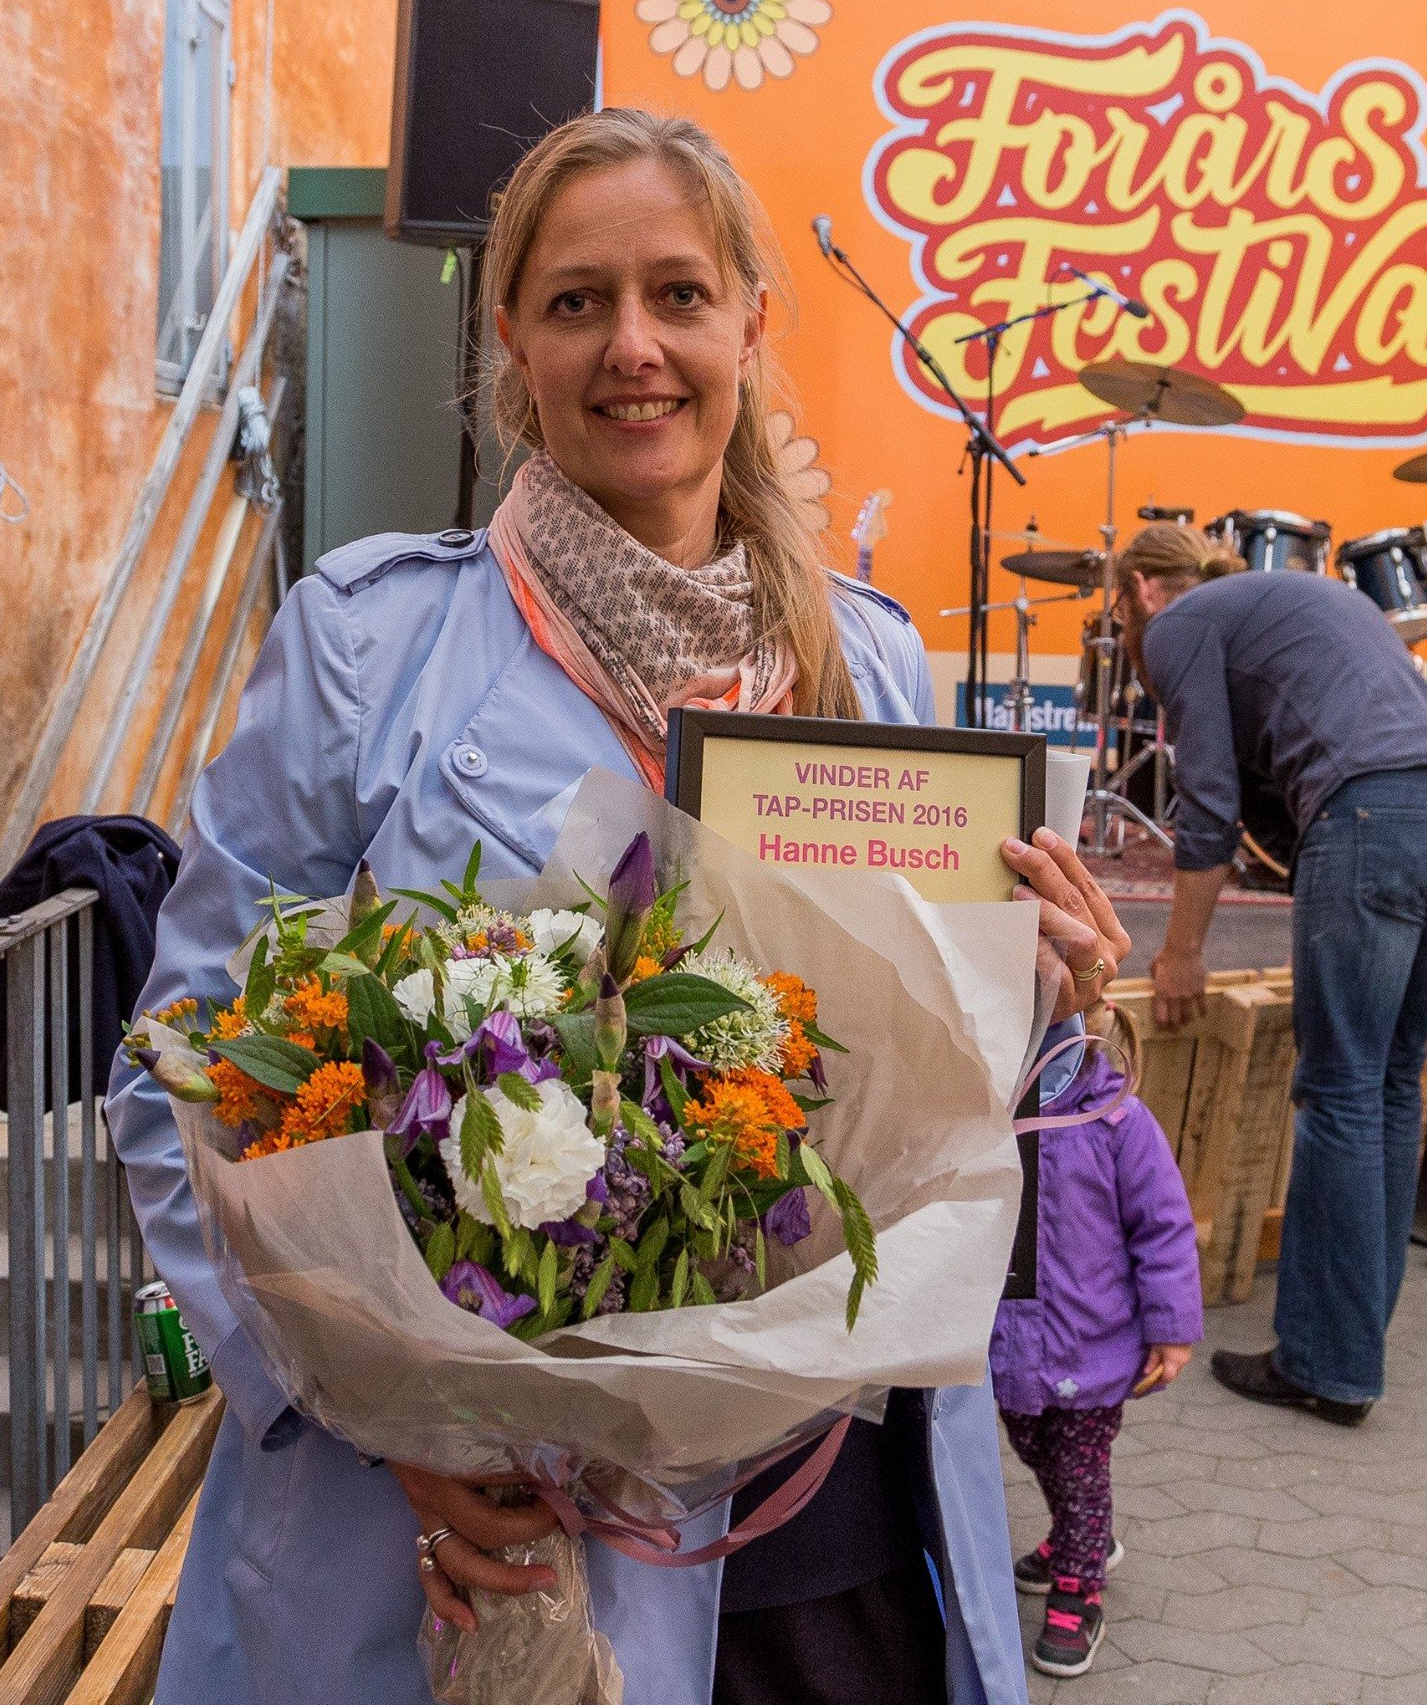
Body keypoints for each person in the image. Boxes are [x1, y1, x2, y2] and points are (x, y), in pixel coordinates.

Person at [106, 107, 1130, 1705]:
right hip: (465, 1542)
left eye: (678, 295)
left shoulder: (873, 668)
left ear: (749, 324)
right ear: (509, 335)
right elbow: (174, 1069)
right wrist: (376, 1425)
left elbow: (921, 1108)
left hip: (824, 1536)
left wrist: (1045, 1002)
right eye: (579, 301)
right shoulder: (368, 647)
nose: (633, 347)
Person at [1114, 523, 1427, 1424]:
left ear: (1139, 591)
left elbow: (1208, 803)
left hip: (1376, 813)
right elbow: (1272, 803)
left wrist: (1180, 952)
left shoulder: (1179, 625)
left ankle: (1325, 1365)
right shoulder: (1297, 598)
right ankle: (1355, 1339)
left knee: (1338, 1090)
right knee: (1390, 1083)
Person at [990, 1035, 1202, 1678]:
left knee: (1080, 1467)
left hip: (1093, 1339)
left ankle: (1079, 1586)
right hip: (1013, 1339)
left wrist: (1172, 1327)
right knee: (1031, 1443)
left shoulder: (1117, 1118)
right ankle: (1081, 1533)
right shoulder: (984, 1106)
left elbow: (1163, 1225)